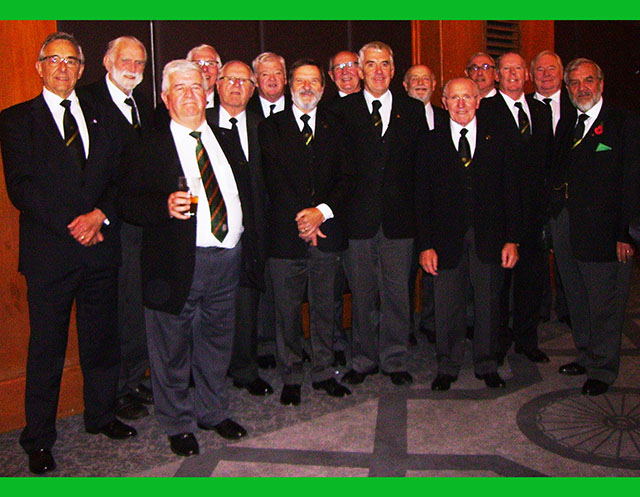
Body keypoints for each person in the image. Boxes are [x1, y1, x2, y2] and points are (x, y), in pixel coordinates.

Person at [0, 32, 136, 475]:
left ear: (81, 69)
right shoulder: (16, 120)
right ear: (39, 67)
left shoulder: (105, 116)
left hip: (100, 248)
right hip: (51, 253)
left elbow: (122, 178)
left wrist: (99, 216)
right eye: (53, 60)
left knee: (102, 340)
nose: (62, 67)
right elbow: (22, 188)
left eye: (70, 61)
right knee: (47, 349)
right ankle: (38, 438)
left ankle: (101, 415)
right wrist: (76, 224)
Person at [119, 59, 257, 456]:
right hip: (175, 264)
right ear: (165, 98)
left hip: (226, 258)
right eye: (179, 88)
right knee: (171, 349)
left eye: (196, 87)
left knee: (217, 343)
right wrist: (163, 205)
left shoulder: (225, 137)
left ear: (208, 93)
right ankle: (177, 422)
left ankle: (212, 411)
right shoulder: (148, 144)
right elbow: (126, 202)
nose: (190, 95)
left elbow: (243, 194)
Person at [331, 41, 427, 387]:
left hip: (400, 221)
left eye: (384, 63)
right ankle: (363, 359)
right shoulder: (341, 111)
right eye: (370, 64)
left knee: (397, 295)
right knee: (362, 296)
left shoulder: (412, 110)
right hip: (357, 221)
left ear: (393, 69)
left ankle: (395, 359)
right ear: (360, 70)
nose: (378, 71)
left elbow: (420, 169)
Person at [259, 59, 354, 405]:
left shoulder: (338, 126)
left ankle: (324, 372)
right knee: (286, 311)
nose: (307, 87)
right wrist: (304, 220)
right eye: (300, 80)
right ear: (289, 85)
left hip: (327, 231)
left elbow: (347, 177)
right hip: (286, 235)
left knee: (326, 307)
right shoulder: (270, 127)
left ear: (323, 88)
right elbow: (274, 180)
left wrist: (320, 214)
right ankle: (291, 375)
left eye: (314, 81)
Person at [416, 77, 521, 391]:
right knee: (447, 305)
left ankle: (487, 365)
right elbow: (421, 199)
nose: (461, 104)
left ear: (478, 101)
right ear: (444, 102)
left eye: (467, 97)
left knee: (489, 304)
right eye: (454, 98)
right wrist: (425, 245)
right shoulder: (429, 142)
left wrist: (512, 239)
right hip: (444, 241)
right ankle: (447, 366)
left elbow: (511, 191)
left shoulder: (498, 139)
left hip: (490, 239)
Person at [550, 58, 640, 396]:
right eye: (574, 83)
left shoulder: (624, 123)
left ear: (601, 84)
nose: (581, 88)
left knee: (605, 303)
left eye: (588, 80)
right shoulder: (568, 123)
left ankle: (603, 368)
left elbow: (632, 182)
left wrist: (626, 233)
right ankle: (586, 354)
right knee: (577, 296)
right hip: (568, 226)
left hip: (607, 231)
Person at [79, 35, 153, 421]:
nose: (133, 69)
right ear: (107, 62)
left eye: (140, 63)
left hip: (138, 226)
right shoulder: (87, 101)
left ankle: (133, 378)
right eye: (126, 61)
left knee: (135, 307)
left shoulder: (140, 103)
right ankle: (117, 390)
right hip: (107, 227)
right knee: (114, 314)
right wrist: (102, 213)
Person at [479, 52, 553, 365]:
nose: (512, 74)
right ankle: (497, 343)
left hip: (534, 213)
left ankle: (526, 339)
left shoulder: (541, 110)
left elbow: (547, 160)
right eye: (506, 69)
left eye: (518, 69)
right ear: (496, 75)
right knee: (498, 285)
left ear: (527, 75)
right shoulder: (484, 109)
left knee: (531, 280)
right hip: (500, 213)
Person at [206, 60, 273, 396]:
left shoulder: (265, 127)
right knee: (207, 308)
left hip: (252, 232)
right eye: (229, 80)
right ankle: (207, 374)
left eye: (243, 81)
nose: (236, 86)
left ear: (253, 89)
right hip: (208, 233)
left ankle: (245, 370)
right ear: (217, 85)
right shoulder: (199, 123)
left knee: (247, 304)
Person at [403, 63, 449, 345]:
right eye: (414, 79)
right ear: (405, 86)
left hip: (439, 209)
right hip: (407, 209)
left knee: (437, 270)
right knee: (405, 273)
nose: (420, 83)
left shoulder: (448, 117)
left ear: (434, 85)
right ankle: (406, 326)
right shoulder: (398, 117)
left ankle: (433, 323)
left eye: (425, 79)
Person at [529, 50, 575, 328]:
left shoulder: (575, 104)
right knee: (535, 256)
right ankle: (540, 307)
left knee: (566, 256)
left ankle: (569, 309)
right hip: (533, 197)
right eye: (539, 70)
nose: (545, 75)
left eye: (551, 69)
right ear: (531, 76)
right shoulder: (523, 107)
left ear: (562, 74)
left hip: (567, 196)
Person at [326, 49, 362, 367]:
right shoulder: (323, 110)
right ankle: (336, 342)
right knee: (333, 286)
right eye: (339, 67)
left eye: (352, 65)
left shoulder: (377, 106)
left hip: (371, 215)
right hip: (335, 214)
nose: (346, 71)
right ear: (331, 75)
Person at [247, 51, 291, 119]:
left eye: (277, 73)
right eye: (265, 74)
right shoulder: (246, 108)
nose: (272, 79)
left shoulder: (297, 106)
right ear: (256, 81)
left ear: (285, 78)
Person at [187, 44, 222, 109]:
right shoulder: (174, 106)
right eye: (198, 63)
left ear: (218, 70)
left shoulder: (228, 106)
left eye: (210, 63)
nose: (205, 69)